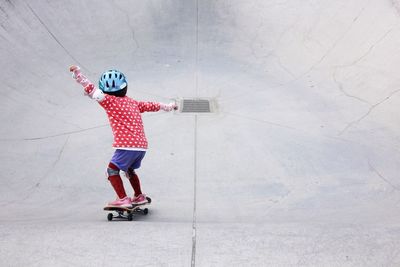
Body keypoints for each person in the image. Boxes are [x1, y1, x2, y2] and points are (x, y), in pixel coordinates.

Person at [69, 65, 176, 207]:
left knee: (111, 170)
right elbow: (151, 105)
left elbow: (90, 89)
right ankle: (139, 196)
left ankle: (123, 199)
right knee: (129, 169)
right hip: (141, 147)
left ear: (105, 90)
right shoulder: (132, 102)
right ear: (124, 87)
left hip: (127, 146)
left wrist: (77, 74)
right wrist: (167, 106)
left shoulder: (108, 100)